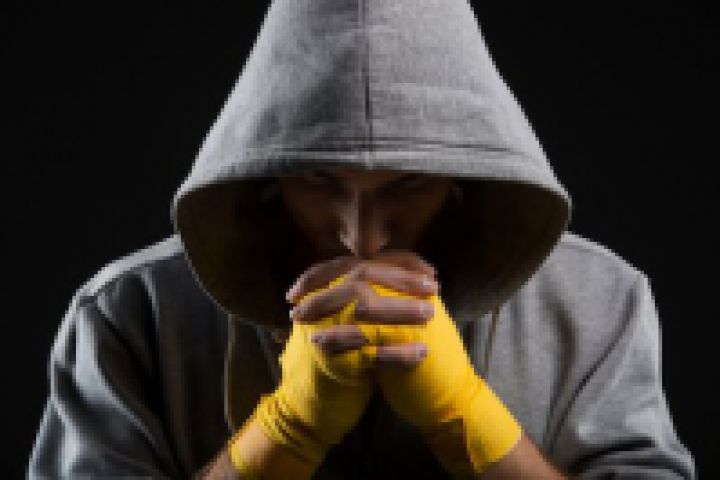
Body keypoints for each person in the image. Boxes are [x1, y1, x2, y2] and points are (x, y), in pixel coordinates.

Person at [28, 0, 697, 478]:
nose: (361, 237)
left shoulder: (600, 302)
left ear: (463, 178)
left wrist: (470, 422)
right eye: (318, 181)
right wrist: (282, 436)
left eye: (409, 184)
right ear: (268, 176)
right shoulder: (129, 313)